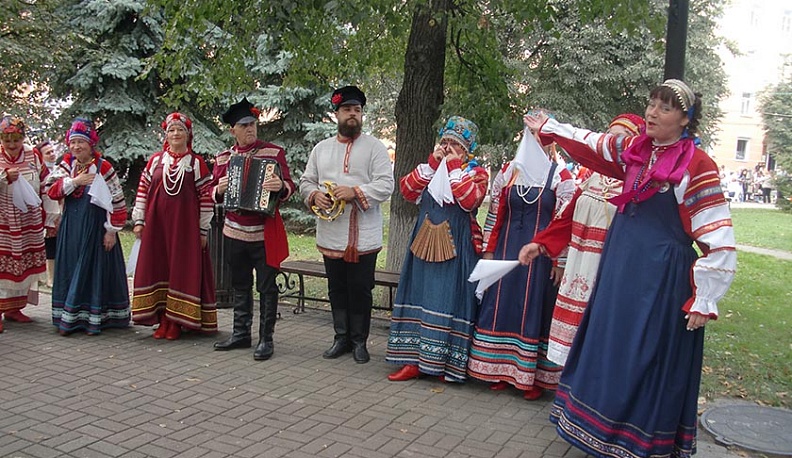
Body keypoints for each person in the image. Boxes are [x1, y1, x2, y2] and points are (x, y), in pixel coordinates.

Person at [523, 79, 736, 458]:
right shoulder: (636, 151)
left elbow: (718, 237)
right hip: (621, 268)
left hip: (659, 279)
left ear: (685, 119)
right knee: (612, 345)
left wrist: (705, 297)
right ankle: (601, 433)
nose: (652, 112)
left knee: (645, 354)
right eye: (651, 104)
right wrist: (550, 127)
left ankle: (638, 442)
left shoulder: (697, 166)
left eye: (664, 108)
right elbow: (590, 143)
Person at [521, 114, 644, 368]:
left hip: (610, 270)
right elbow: (567, 218)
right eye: (610, 135)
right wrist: (540, 244)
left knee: (603, 334)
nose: (613, 142)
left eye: (621, 137)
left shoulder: (636, 184)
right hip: (579, 270)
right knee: (575, 342)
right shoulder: (593, 178)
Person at [466, 117, 575, 400]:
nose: (538, 141)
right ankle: (499, 369)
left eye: (543, 136)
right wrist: (489, 251)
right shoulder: (510, 172)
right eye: (533, 135)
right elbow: (496, 214)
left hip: (540, 254)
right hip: (507, 249)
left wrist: (559, 261)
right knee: (503, 305)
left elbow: (565, 222)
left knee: (533, 308)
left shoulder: (560, 176)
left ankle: (534, 377)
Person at [385, 115, 489, 382]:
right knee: (419, 293)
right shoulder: (429, 169)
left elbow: (469, 201)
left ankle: (446, 364)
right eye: (445, 142)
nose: (448, 148)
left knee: (448, 297)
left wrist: (454, 166)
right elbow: (407, 191)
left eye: (455, 145)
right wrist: (433, 163)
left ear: (467, 151)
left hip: (456, 246)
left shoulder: (475, 173)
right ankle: (412, 360)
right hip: (423, 243)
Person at [299, 86, 394, 364]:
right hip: (331, 233)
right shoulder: (321, 149)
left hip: (363, 235)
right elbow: (306, 182)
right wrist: (315, 195)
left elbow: (386, 185)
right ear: (337, 114)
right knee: (336, 287)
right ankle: (340, 337)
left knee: (361, 288)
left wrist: (355, 192)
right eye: (347, 110)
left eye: (357, 110)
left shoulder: (375, 147)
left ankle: (359, 341)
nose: (353, 115)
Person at [210, 98, 295, 360]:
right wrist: (219, 190)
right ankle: (240, 334)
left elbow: (289, 186)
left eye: (253, 124)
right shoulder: (224, 157)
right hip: (234, 231)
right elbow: (212, 191)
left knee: (267, 287)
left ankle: (266, 339)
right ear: (232, 130)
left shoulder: (273, 152)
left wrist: (279, 186)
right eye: (244, 126)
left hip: (263, 232)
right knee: (240, 284)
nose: (251, 129)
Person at [131, 113, 218, 340]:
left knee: (181, 269)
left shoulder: (196, 163)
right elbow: (142, 191)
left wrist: (202, 230)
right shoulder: (156, 161)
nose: (176, 134)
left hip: (185, 228)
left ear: (188, 135)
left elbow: (206, 198)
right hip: (157, 227)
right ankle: (162, 319)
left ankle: (176, 322)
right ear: (166, 135)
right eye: (171, 130)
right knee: (158, 267)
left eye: (180, 130)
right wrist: (139, 220)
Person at [45, 118, 130, 336]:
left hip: (96, 229)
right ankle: (69, 318)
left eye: (80, 142)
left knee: (93, 271)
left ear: (90, 144)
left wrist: (111, 230)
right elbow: (51, 191)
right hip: (71, 228)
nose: (76, 147)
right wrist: (76, 181)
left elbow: (118, 202)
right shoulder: (66, 166)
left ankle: (96, 319)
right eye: (72, 143)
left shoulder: (104, 167)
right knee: (71, 269)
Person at [0, 116, 48, 332]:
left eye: (16, 140)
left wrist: (51, 215)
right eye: (7, 141)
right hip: (3, 222)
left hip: (28, 220)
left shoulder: (32, 154)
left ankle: (14, 307)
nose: (11, 145)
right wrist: (3, 177)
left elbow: (45, 181)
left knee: (23, 264)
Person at [37, 140, 61, 288]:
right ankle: (48, 278)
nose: (52, 155)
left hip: (59, 211)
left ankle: (55, 275)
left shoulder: (58, 169)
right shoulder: (40, 172)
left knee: (57, 244)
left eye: (52, 151)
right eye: (48, 153)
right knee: (49, 245)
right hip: (47, 212)